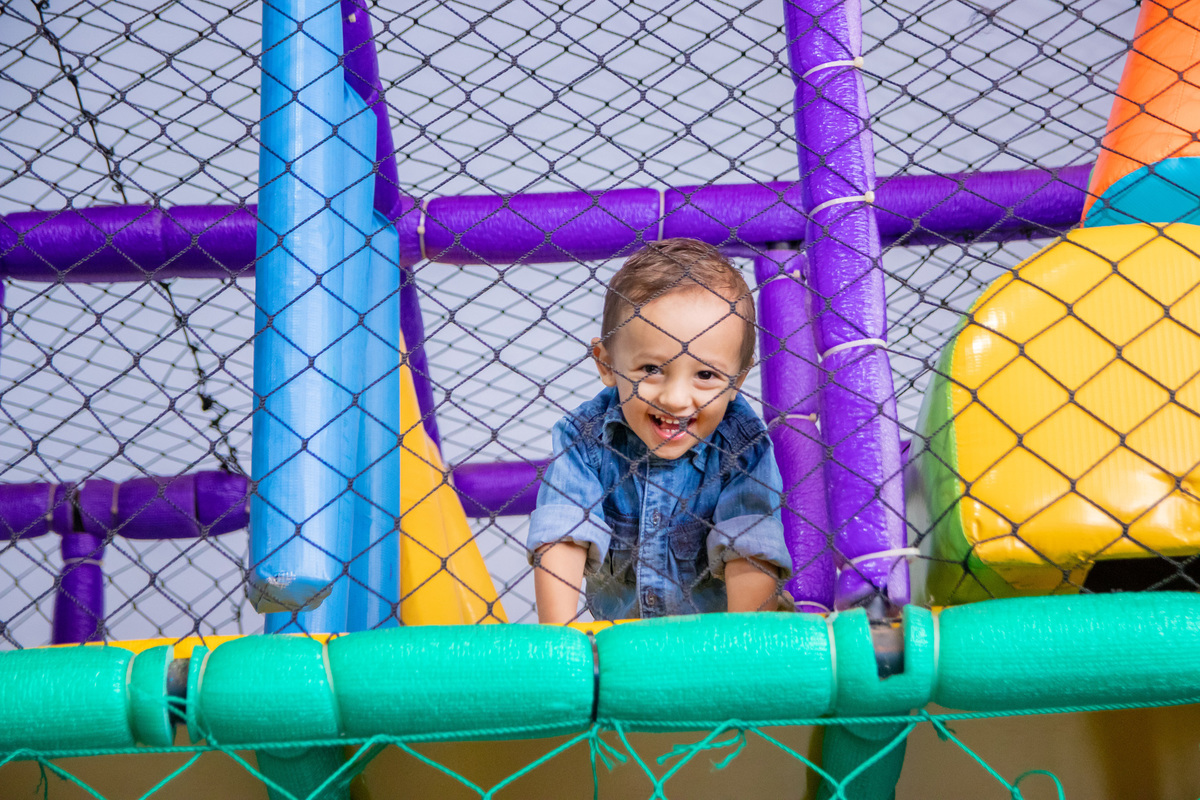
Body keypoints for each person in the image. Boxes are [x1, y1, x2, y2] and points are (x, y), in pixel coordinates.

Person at [527, 237, 792, 623]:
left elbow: (749, 550)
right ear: (606, 364)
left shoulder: (742, 446)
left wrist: (745, 649)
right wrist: (561, 639)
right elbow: (563, 535)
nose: (675, 398)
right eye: (651, 370)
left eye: (705, 375)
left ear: (737, 379)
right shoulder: (585, 439)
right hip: (625, 644)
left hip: (719, 638)